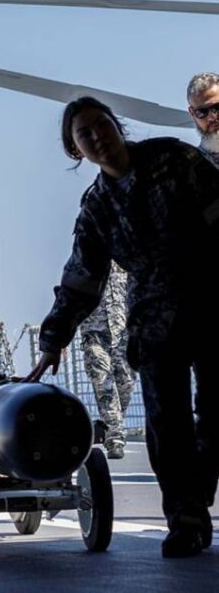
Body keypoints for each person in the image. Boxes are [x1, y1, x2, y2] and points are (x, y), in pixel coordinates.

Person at [27, 96, 219, 558]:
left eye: (101, 125)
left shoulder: (175, 158)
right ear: (76, 150)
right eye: (85, 134)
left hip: (212, 299)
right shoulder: (97, 207)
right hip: (154, 319)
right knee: (165, 424)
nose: (98, 136)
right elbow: (80, 279)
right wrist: (54, 340)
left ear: (118, 126)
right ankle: (186, 519)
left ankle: (199, 489)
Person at [80, 262, 136, 460]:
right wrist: (61, 336)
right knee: (104, 382)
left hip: (123, 333)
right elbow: (73, 294)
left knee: (126, 383)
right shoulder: (88, 261)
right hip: (95, 333)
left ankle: (108, 423)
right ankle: (115, 439)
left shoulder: (128, 260)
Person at [186, 72, 219, 166]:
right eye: (202, 112)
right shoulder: (191, 169)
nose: (212, 117)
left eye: (217, 107)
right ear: (192, 113)